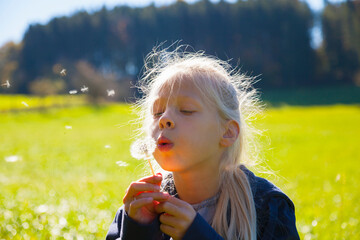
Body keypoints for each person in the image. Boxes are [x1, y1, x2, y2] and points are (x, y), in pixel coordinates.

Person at [106, 46, 300, 240]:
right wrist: (138, 231)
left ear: (228, 132)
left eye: (186, 110)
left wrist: (197, 235)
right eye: (157, 112)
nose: (164, 118)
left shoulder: (267, 208)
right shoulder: (136, 211)